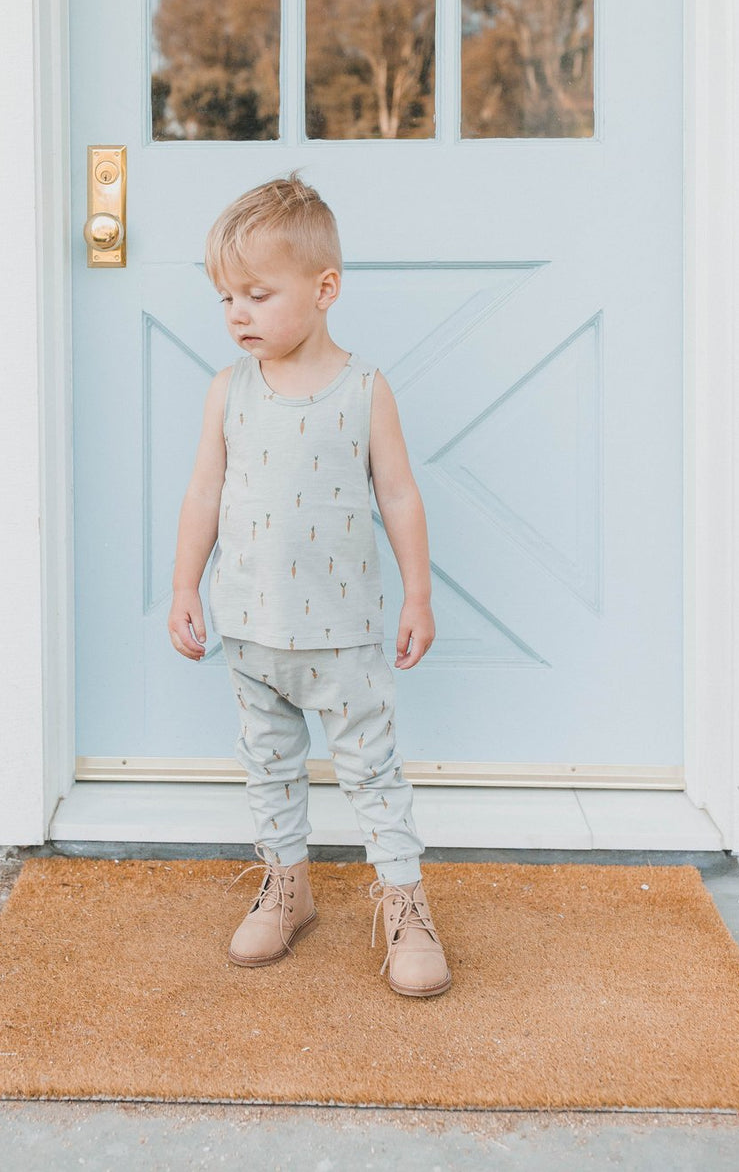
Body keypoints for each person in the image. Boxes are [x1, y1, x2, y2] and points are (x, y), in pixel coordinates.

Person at [168, 171, 450, 998]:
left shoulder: (365, 390)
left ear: (325, 289)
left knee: (371, 770)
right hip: (250, 627)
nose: (238, 314)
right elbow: (203, 494)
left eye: (257, 294)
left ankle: (404, 903)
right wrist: (185, 587)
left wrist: (419, 594)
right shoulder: (228, 390)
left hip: (344, 633)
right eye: (227, 298)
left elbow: (399, 494)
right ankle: (286, 883)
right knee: (269, 763)